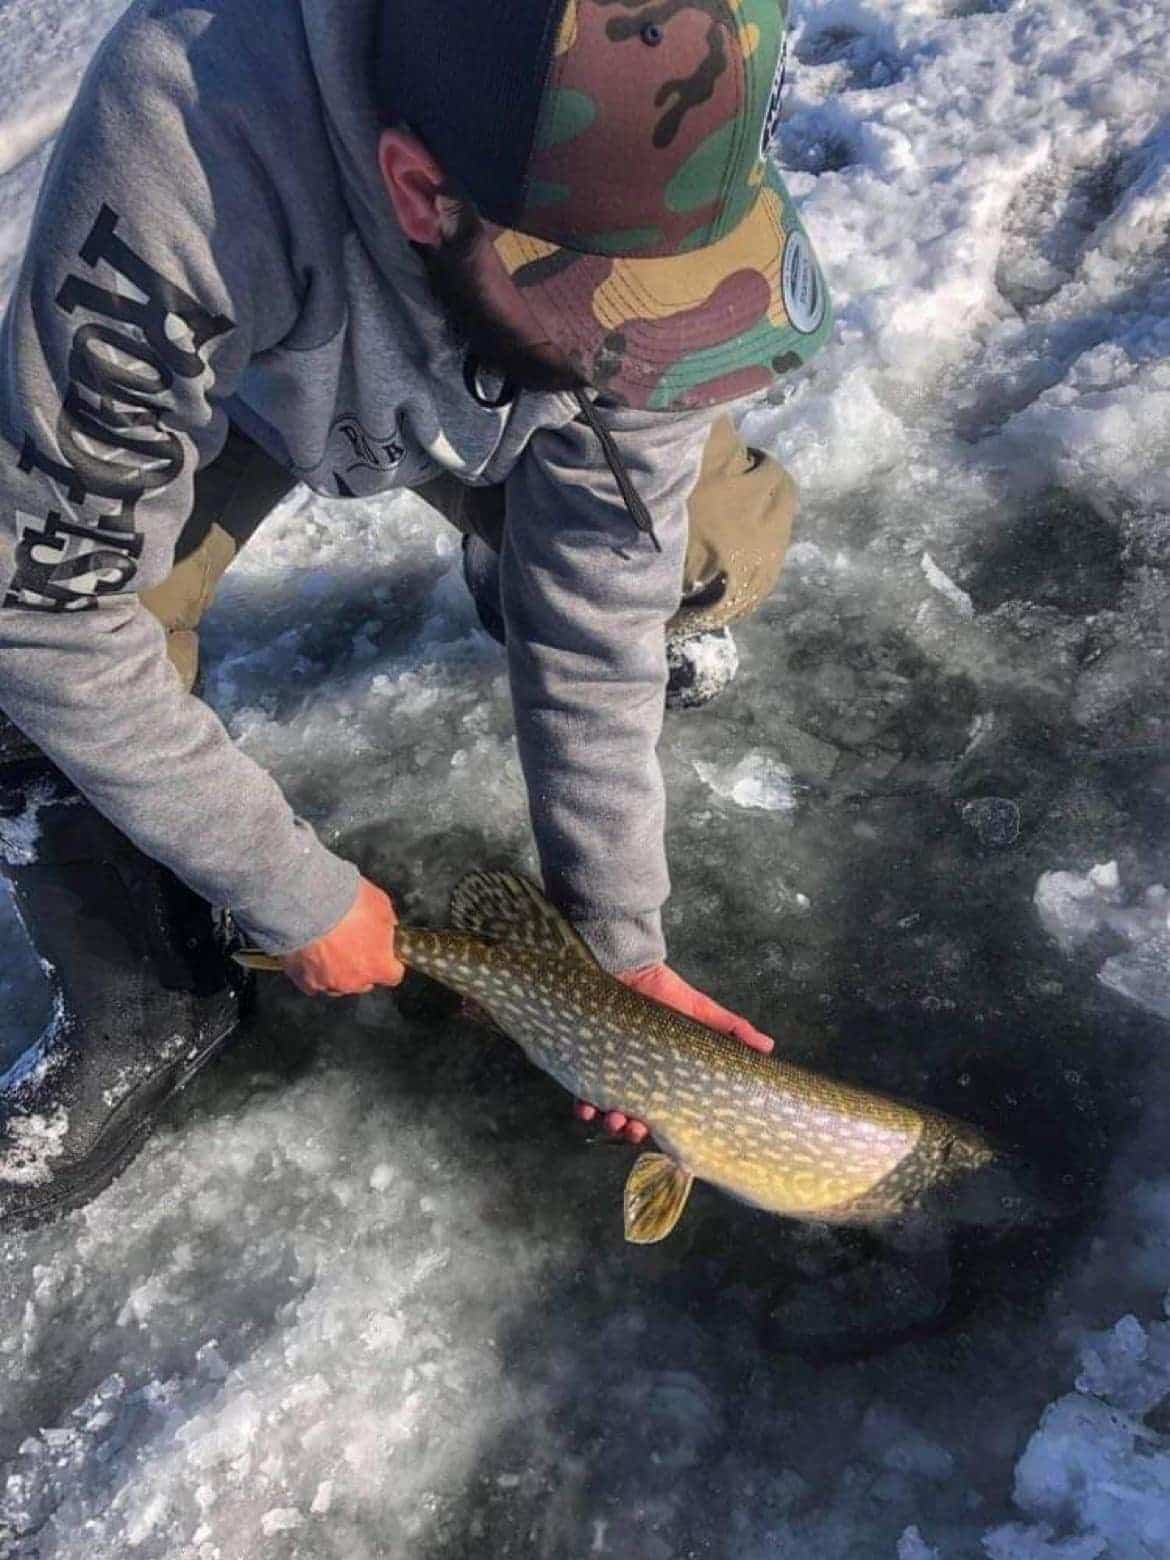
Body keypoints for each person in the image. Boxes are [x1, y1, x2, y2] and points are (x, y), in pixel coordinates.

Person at [0, 0, 832, 1231]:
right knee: (32, 677)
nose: (625, 350)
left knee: (697, 553)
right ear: (415, 185)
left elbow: (606, 581)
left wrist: (613, 943)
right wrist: (290, 890)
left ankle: (514, 556)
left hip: (485, 365)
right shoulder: (183, 137)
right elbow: (42, 616)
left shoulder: (658, 133)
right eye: (594, 304)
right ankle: (146, 981)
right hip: (242, 381)